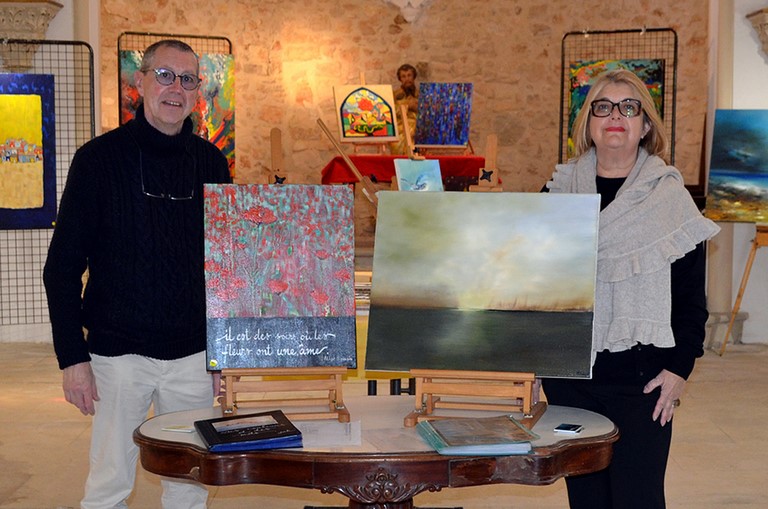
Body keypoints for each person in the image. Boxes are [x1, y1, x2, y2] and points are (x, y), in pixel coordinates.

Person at [43, 39, 231, 509]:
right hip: (115, 357)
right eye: (165, 75)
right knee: (108, 483)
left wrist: (223, 357)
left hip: (192, 356)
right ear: (140, 82)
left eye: (188, 79)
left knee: (189, 485)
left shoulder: (212, 163)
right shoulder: (97, 160)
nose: (176, 88)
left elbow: (228, 269)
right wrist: (72, 359)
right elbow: (60, 269)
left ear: (197, 92)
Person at [541, 69, 719, 509]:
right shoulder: (557, 193)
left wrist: (680, 371)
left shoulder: (670, 201)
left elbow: (692, 300)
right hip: (571, 382)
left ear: (645, 125)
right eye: (603, 107)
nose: (615, 116)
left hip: (644, 386)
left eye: (629, 107)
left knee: (638, 499)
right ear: (588, 124)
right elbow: (535, 289)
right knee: (587, 501)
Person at [392, 63, 419, 155]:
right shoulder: (394, 95)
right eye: (403, 76)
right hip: (401, 130)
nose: (407, 79)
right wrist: (407, 106)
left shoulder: (421, 95)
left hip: (418, 131)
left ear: (414, 77)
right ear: (400, 79)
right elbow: (391, 112)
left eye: (409, 75)